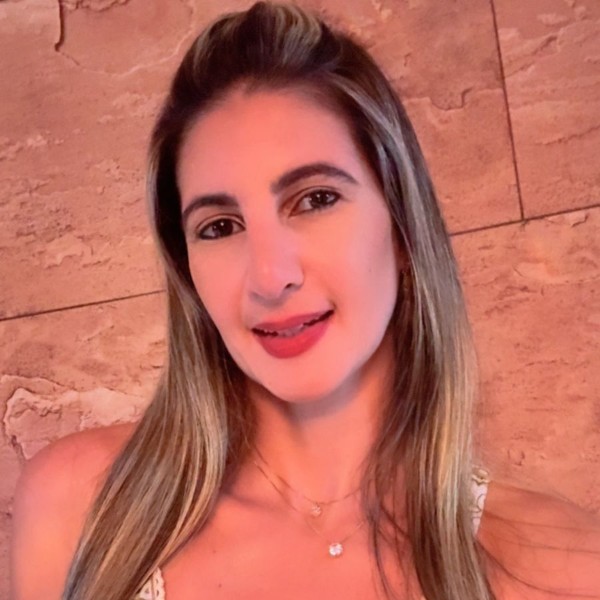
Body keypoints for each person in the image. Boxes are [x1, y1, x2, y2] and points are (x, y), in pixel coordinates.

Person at [10, 2, 600, 599]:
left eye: (315, 199)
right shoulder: (81, 508)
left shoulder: (562, 569)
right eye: (219, 227)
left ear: (402, 224)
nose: (271, 277)